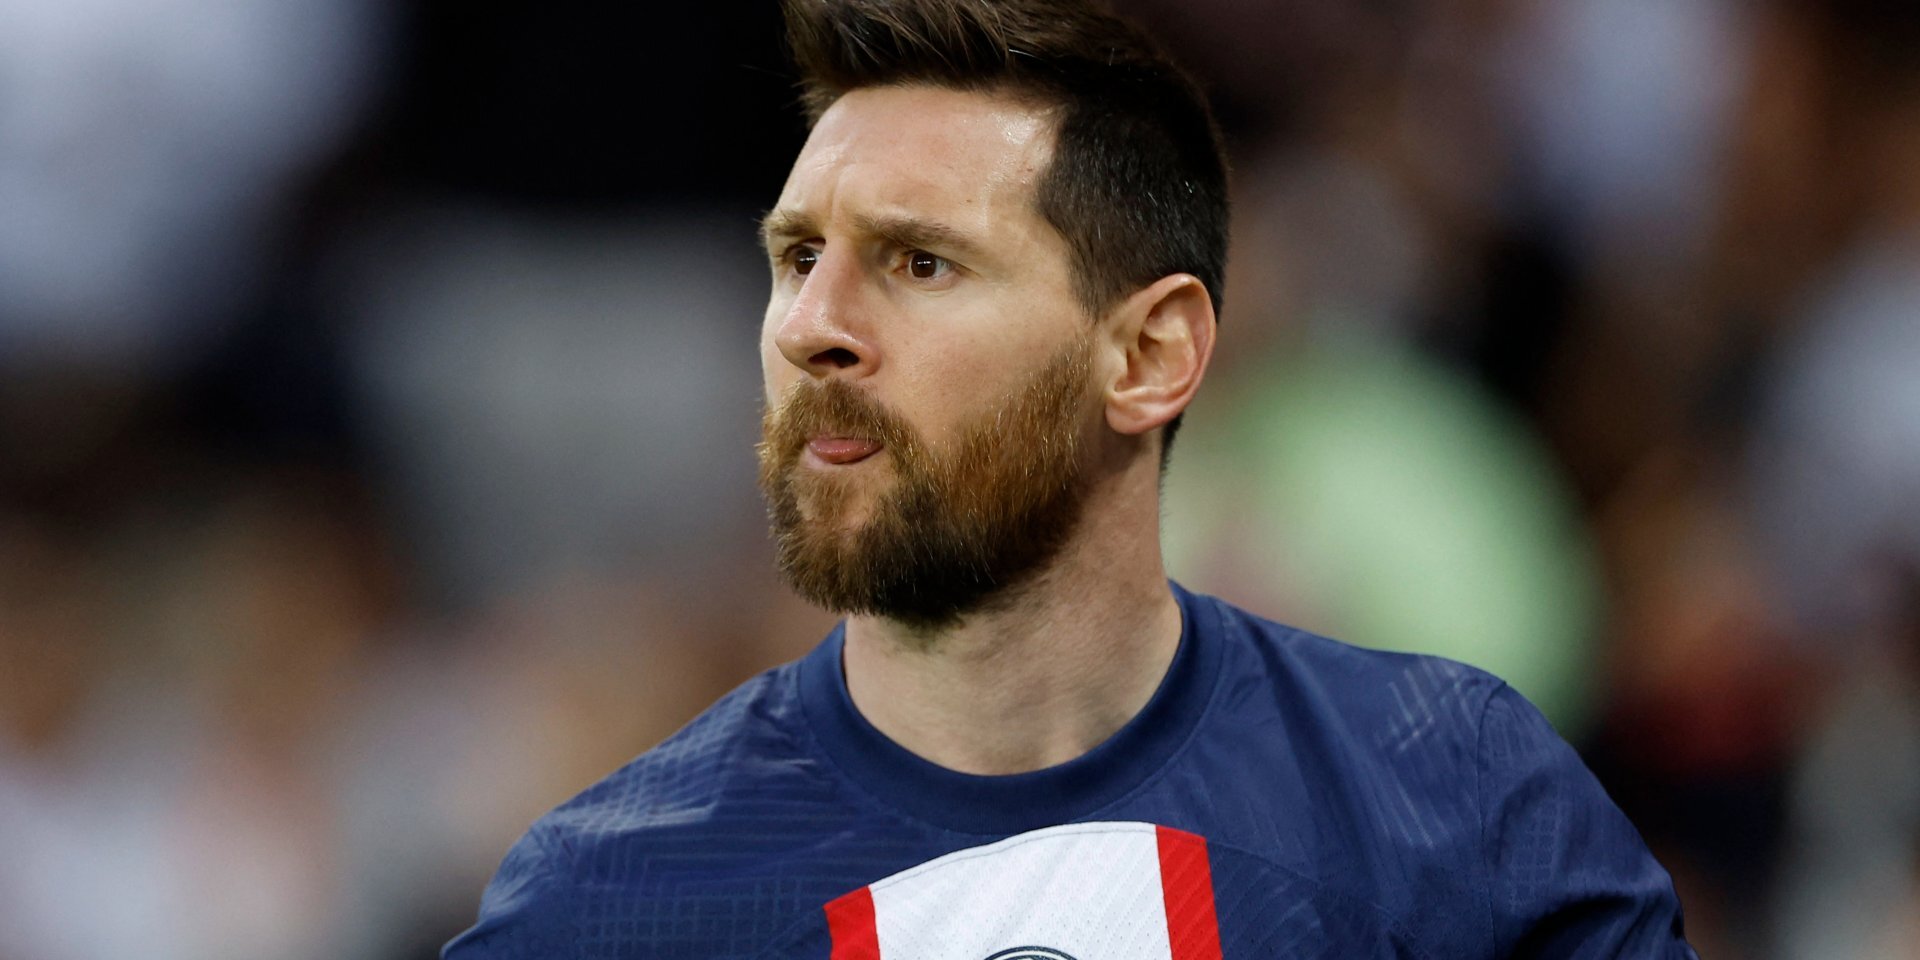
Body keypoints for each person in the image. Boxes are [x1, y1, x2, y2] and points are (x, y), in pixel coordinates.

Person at [444, 0, 1696, 956]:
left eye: (922, 264)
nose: (813, 326)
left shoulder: (1458, 804)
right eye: (799, 257)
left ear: (1150, 356)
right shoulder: (605, 909)